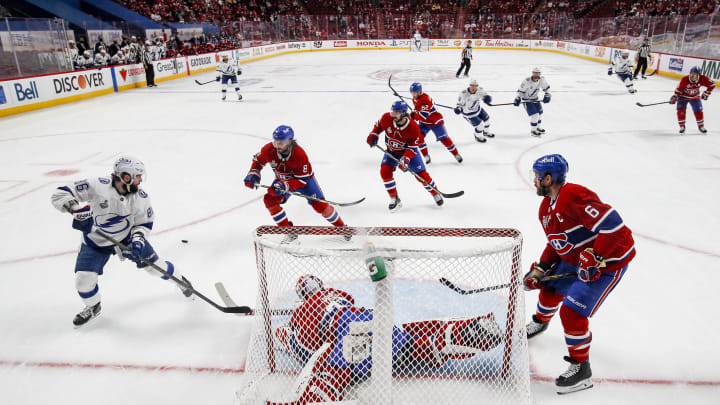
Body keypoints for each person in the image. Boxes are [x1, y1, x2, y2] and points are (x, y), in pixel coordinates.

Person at [271, 274, 503, 405]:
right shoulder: (338, 295)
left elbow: (308, 348)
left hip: (348, 340)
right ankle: (461, 333)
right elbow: (347, 302)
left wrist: (286, 333)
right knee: (406, 344)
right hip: (372, 319)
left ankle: (312, 399)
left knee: (331, 375)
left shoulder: (303, 311)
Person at [523, 154, 635, 395]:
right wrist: (541, 268)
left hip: (608, 263)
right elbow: (557, 243)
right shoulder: (546, 207)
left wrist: (595, 257)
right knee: (549, 288)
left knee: (572, 313)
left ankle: (582, 369)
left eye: (537, 176)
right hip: (579, 258)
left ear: (548, 178)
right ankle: (540, 323)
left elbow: (614, 227)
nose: (534, 180)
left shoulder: (573, 195)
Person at [50, 155, 192, 328]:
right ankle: (93, 306)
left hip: (126, 238)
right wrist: (75, 209)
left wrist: (137, 241)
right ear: (126, 176)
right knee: (83, 280)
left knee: (155, 268)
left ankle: (180, 281)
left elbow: (144, 223)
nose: (140, 180)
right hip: (95, 242)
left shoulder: (141, 197)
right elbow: (61, 193)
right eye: (138, 176)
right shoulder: (97, 185)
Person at [243, 125, 347, 233]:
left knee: (320, 206)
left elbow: (300, 181)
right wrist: (253, 174)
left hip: (305, 182)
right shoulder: (269, 150)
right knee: (270, 200)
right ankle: (287, 231)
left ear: (290, 141)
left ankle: (343, 228)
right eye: (275, 142)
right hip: (282, 182)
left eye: (281, 142)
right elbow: (258, 161)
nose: (277, 145)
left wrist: (283, 186)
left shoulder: (300, 155)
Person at [367, 101, 444, 211]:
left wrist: (406, 159)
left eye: (396, 112)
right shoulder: (386, 117)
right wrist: (374, 134)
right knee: (385, 171)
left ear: (403, 113)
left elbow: (412, 147)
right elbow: (379, 125)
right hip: (391, 151)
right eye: (392, 111)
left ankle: (435, 192)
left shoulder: (413, 127)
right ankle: (394, 198)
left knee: (422, 175)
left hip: (408, 152)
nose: (393, 115)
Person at [409, 82, 462, 164]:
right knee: (418, 138)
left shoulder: (424, 99)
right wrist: (414, 113)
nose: (413, 94)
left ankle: (456, 154)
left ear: (420, 91)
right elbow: (418, 111)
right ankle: (426, 155)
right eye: (412, 92)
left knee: (444, 139)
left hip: (435, 121)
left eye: (415, 92)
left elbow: (423, 115)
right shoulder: (414, 99)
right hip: (424, 123)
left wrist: (413, 116)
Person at [670, 66, 714, 134]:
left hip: (695, 97)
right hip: (683, 97)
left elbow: (712, 85)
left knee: (698, 110)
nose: (692, 75)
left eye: (695, 74)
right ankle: (682, 126)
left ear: (698, 75)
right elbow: (678, 90)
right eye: (691, 73)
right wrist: (674, 97)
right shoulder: (685, 79)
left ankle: (701, 126)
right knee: (680, 110)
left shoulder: (703, 78)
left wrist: (706, 93)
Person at [454, 78, 494, 143]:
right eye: (472, 85)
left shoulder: (480, 90)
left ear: (477, 86)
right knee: (480, 126)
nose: (473, 87)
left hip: (478, 109)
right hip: (469, 114)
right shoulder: (463, 94)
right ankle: (477, 136)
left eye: (475, 86)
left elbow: (485, 96)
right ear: (469, 85)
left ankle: (486, 132)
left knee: (487, 120)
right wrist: (458, 109)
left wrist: (487, 99)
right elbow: (459, 105)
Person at [514, 67, 551, 136]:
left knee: (540, 114)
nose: (536, 75)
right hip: (527, 100)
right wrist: (518, 98)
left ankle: (538, 127)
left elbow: (546, 88)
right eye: (535, 73)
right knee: (535, 115)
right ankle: (533, 130)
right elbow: (520, 91)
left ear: (540, 74)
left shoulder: (542, 80)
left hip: (536, 99)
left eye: (538, 73)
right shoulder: (527, 81)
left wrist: (547, 95)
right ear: (532, 73)